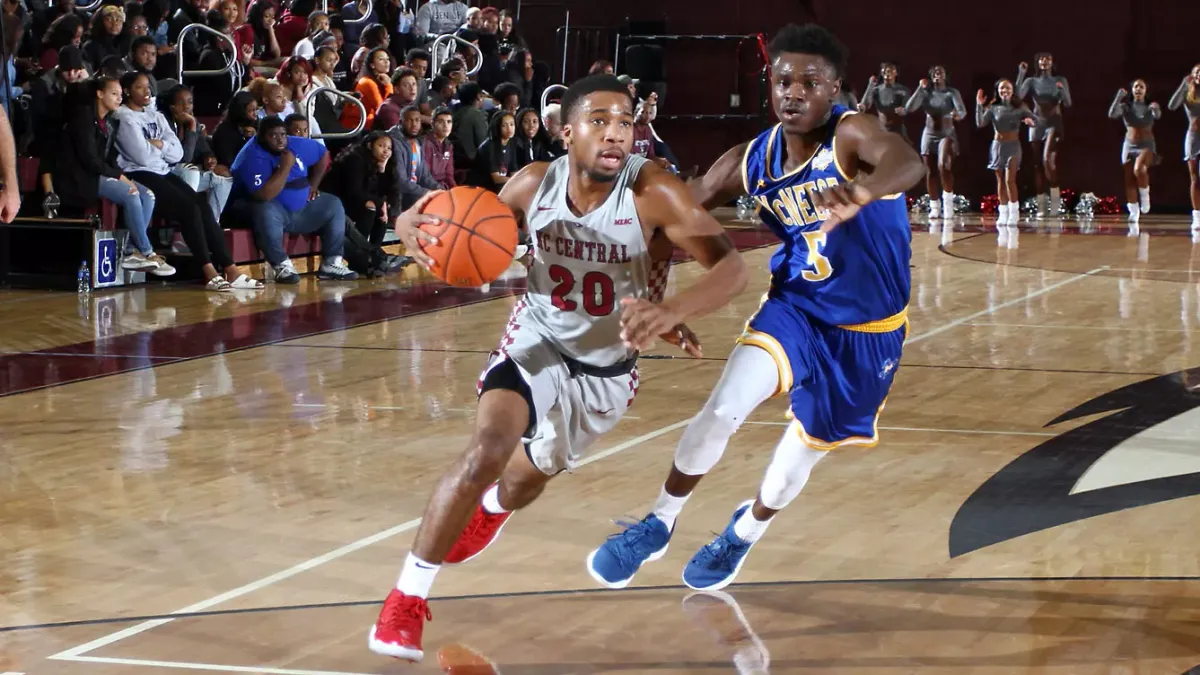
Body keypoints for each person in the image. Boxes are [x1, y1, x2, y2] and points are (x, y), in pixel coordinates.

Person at [366, 72, 749, 662]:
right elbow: (459, 228)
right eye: (599, 121)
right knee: (488, 448)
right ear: (565, 132)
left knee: (523, 481)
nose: (616, 133)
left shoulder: (653, 191)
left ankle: (493, 509)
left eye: (625, 122)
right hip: (537, 337)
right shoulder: (532, 183)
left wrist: (670, 310)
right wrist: (404, 226)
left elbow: (731, 269)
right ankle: (406, 600)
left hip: (606, 369)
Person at [584, 23, 924, 592]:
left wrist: (861, 192)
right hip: (796, 309)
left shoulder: (851, 135)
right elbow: (673, 216)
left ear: (834, 88)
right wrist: (640, 280)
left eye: (809, 83)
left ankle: (746, 530)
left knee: (797, 461)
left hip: (869, 331)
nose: (794, 92)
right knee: (722, 408)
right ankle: (659, 522)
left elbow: (907, 161)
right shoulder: (750, 159)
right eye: (783, 80)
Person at [115, 72, 256, 291]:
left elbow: (178, 154)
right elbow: (141, 157)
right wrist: (162, 149)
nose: (147, 91)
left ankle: (231, 269)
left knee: (202, 206)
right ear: (126, 91)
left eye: (148, 86)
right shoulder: (123, 117)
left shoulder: (156, 116)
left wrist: (158, 144)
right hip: (138, 173)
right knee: (189, 209)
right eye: (139, 87)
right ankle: (209, 271)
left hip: (163, 171)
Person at [54, 76, 172, 275]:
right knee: (131, 194)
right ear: (100, 94)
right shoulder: (83, 119)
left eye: (120, 94)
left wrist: (119, 174)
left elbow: (109, 158)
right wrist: (118, 176)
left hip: (100, 172)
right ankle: (147, 252)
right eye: (114, 94)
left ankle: (130, 251)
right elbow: (90, 161)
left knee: (148, 195)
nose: (119, 98)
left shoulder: (109, 121)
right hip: (80, 177)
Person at [228, 116, 358, 282]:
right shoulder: (251, 155)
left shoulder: (294, 143)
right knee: (264, 208)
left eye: (283, 134)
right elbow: (264, 195)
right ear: (262, 137)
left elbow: (323, 154)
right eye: (273, 135)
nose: (280, 139)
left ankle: (332, 263)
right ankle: (281, 265)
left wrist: (313, 185)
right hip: (261, 208)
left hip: (300, 208)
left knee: (333, 204)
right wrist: (285, 167)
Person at [904, 65, 964, 220]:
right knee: (930, 171)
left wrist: (956, 115)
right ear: (931, 76)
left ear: (945, 75)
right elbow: (909, 108)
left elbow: (962, 111)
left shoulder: (952, 92)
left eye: (940, 72)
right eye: (935, 73)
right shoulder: (926, 92)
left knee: (943, 166)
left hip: (947, 133)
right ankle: (935, 206)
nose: (938, 74)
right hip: (929, 133)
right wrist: (920, 88)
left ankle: (948, 205)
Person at [1016, 53, 1071, 218]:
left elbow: (1068, 103)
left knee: (1048, 160)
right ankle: (1041, 205)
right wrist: (1021, 74)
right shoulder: (1031, 81)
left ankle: (1055, 203)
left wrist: (1062, 91)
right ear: (1037, 63)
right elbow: (1017, 97)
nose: (1044, 61)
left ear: (1052, 62)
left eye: (1048, 59)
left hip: (1054, 123)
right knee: (1037, 165)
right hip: (1037, 123)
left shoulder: (1059, 80)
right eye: (1041, 59)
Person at [976, 80, 1035, 226]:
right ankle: (1003, 212)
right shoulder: (993, 107)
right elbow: (980, 123)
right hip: (998, 146)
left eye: (1008, 88)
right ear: (998, 90)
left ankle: (1014, 213)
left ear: (1012, 90)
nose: (1005, 91)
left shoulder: (1020, 107)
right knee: (1001, 181)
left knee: (1010, 180)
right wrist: (979, 105)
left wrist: (1030, 120)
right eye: (1002, 88)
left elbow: (1035, 119)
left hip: (1013, 145)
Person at [1108, 79, 1160, 223]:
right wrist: (1118, 97)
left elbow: (1158, 115)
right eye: (1136, 86)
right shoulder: (1126, 106)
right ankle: (1134, 211)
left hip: (1146, 145)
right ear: (1132, 90)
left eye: (1141, 87)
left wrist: (1155, 109)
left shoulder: (1150, 106)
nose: (1138, 89)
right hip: (1130, 145)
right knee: (1129, 179)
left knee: (1139, 170)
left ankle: (1145, 196)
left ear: (1146, 90)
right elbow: (1112, 114)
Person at [387, 104, 440, 209]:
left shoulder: (418, 142)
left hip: (413, 194)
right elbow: (401, 182)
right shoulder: (393, 142)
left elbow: (425, 176)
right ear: (401, 122)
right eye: (410, 120)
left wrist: (440, 189)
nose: (414, 124)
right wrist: (428, 193)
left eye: (417, 120)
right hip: (397, 198)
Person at [1168, 64, 1200, 231]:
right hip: (1193, 137)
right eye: (1197, 72)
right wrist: (1183, 84)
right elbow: (1172, 106)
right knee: (1194, 177)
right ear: (1192, 75)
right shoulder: (1188, 92)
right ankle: (1197, 217)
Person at [859, 62, 910, 143]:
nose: (887, 74)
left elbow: (907, 108)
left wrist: (903, 110)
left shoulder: (903, 91)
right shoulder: (876, 90)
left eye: (890, 71)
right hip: (881, 129)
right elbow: (865, 105)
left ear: (896, 73)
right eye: (885, 72)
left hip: (898, 130)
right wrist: (870, 85)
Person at [423, 106, 455, 189]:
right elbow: (425, 177)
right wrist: (441, 189)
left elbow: (449, 175)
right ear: (432, 124)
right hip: (428, 188)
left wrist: (455, 190)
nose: (446, 125)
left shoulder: (449, 145)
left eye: (449, 122)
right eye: (441, 122)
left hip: (442, 187)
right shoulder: (425, 144)